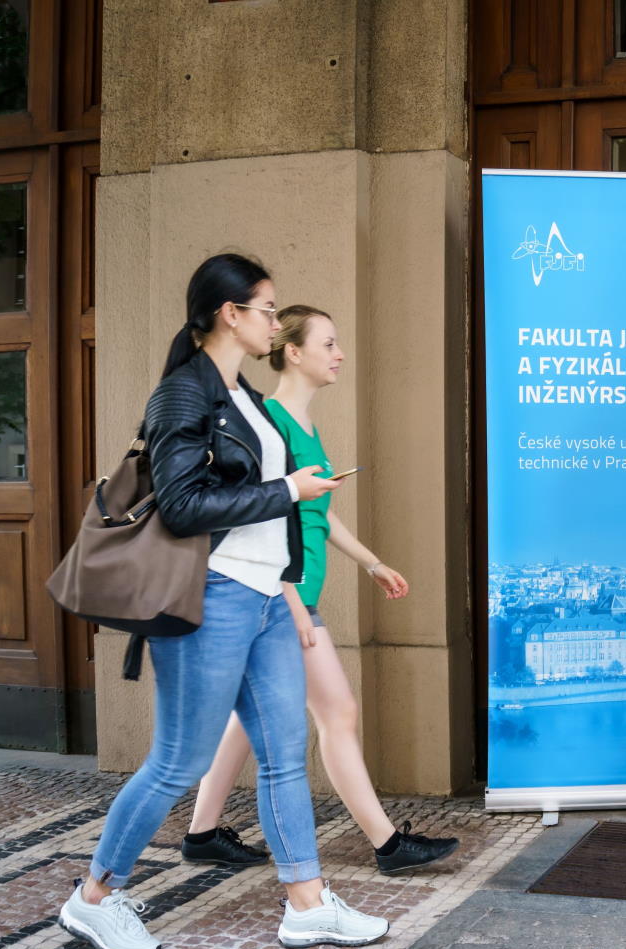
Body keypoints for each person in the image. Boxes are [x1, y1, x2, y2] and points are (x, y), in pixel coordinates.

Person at [56, 254, 389, 949]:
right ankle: (93, 897)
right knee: (180, 760)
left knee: (283, 755)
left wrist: (291, 548)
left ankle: (306, 902)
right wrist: (288, 492)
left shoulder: (242, 397)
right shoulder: (184, 394)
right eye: (266, 309)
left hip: (266, 595)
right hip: (214, 596)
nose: (275, 320)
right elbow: (180, 506)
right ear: (228, 314)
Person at [179, 304, 459, 876]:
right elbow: (263, 523)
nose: (340, 354)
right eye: (328, 344)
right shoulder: (273, 421)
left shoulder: (305, 425)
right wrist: (293, 608)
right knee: (339, 713)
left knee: (244, 718)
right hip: (284, 597)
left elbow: (317, 512)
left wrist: (371, 563)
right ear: (295, 352)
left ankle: (202, 834)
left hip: (293, 597)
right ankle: (387, 845)